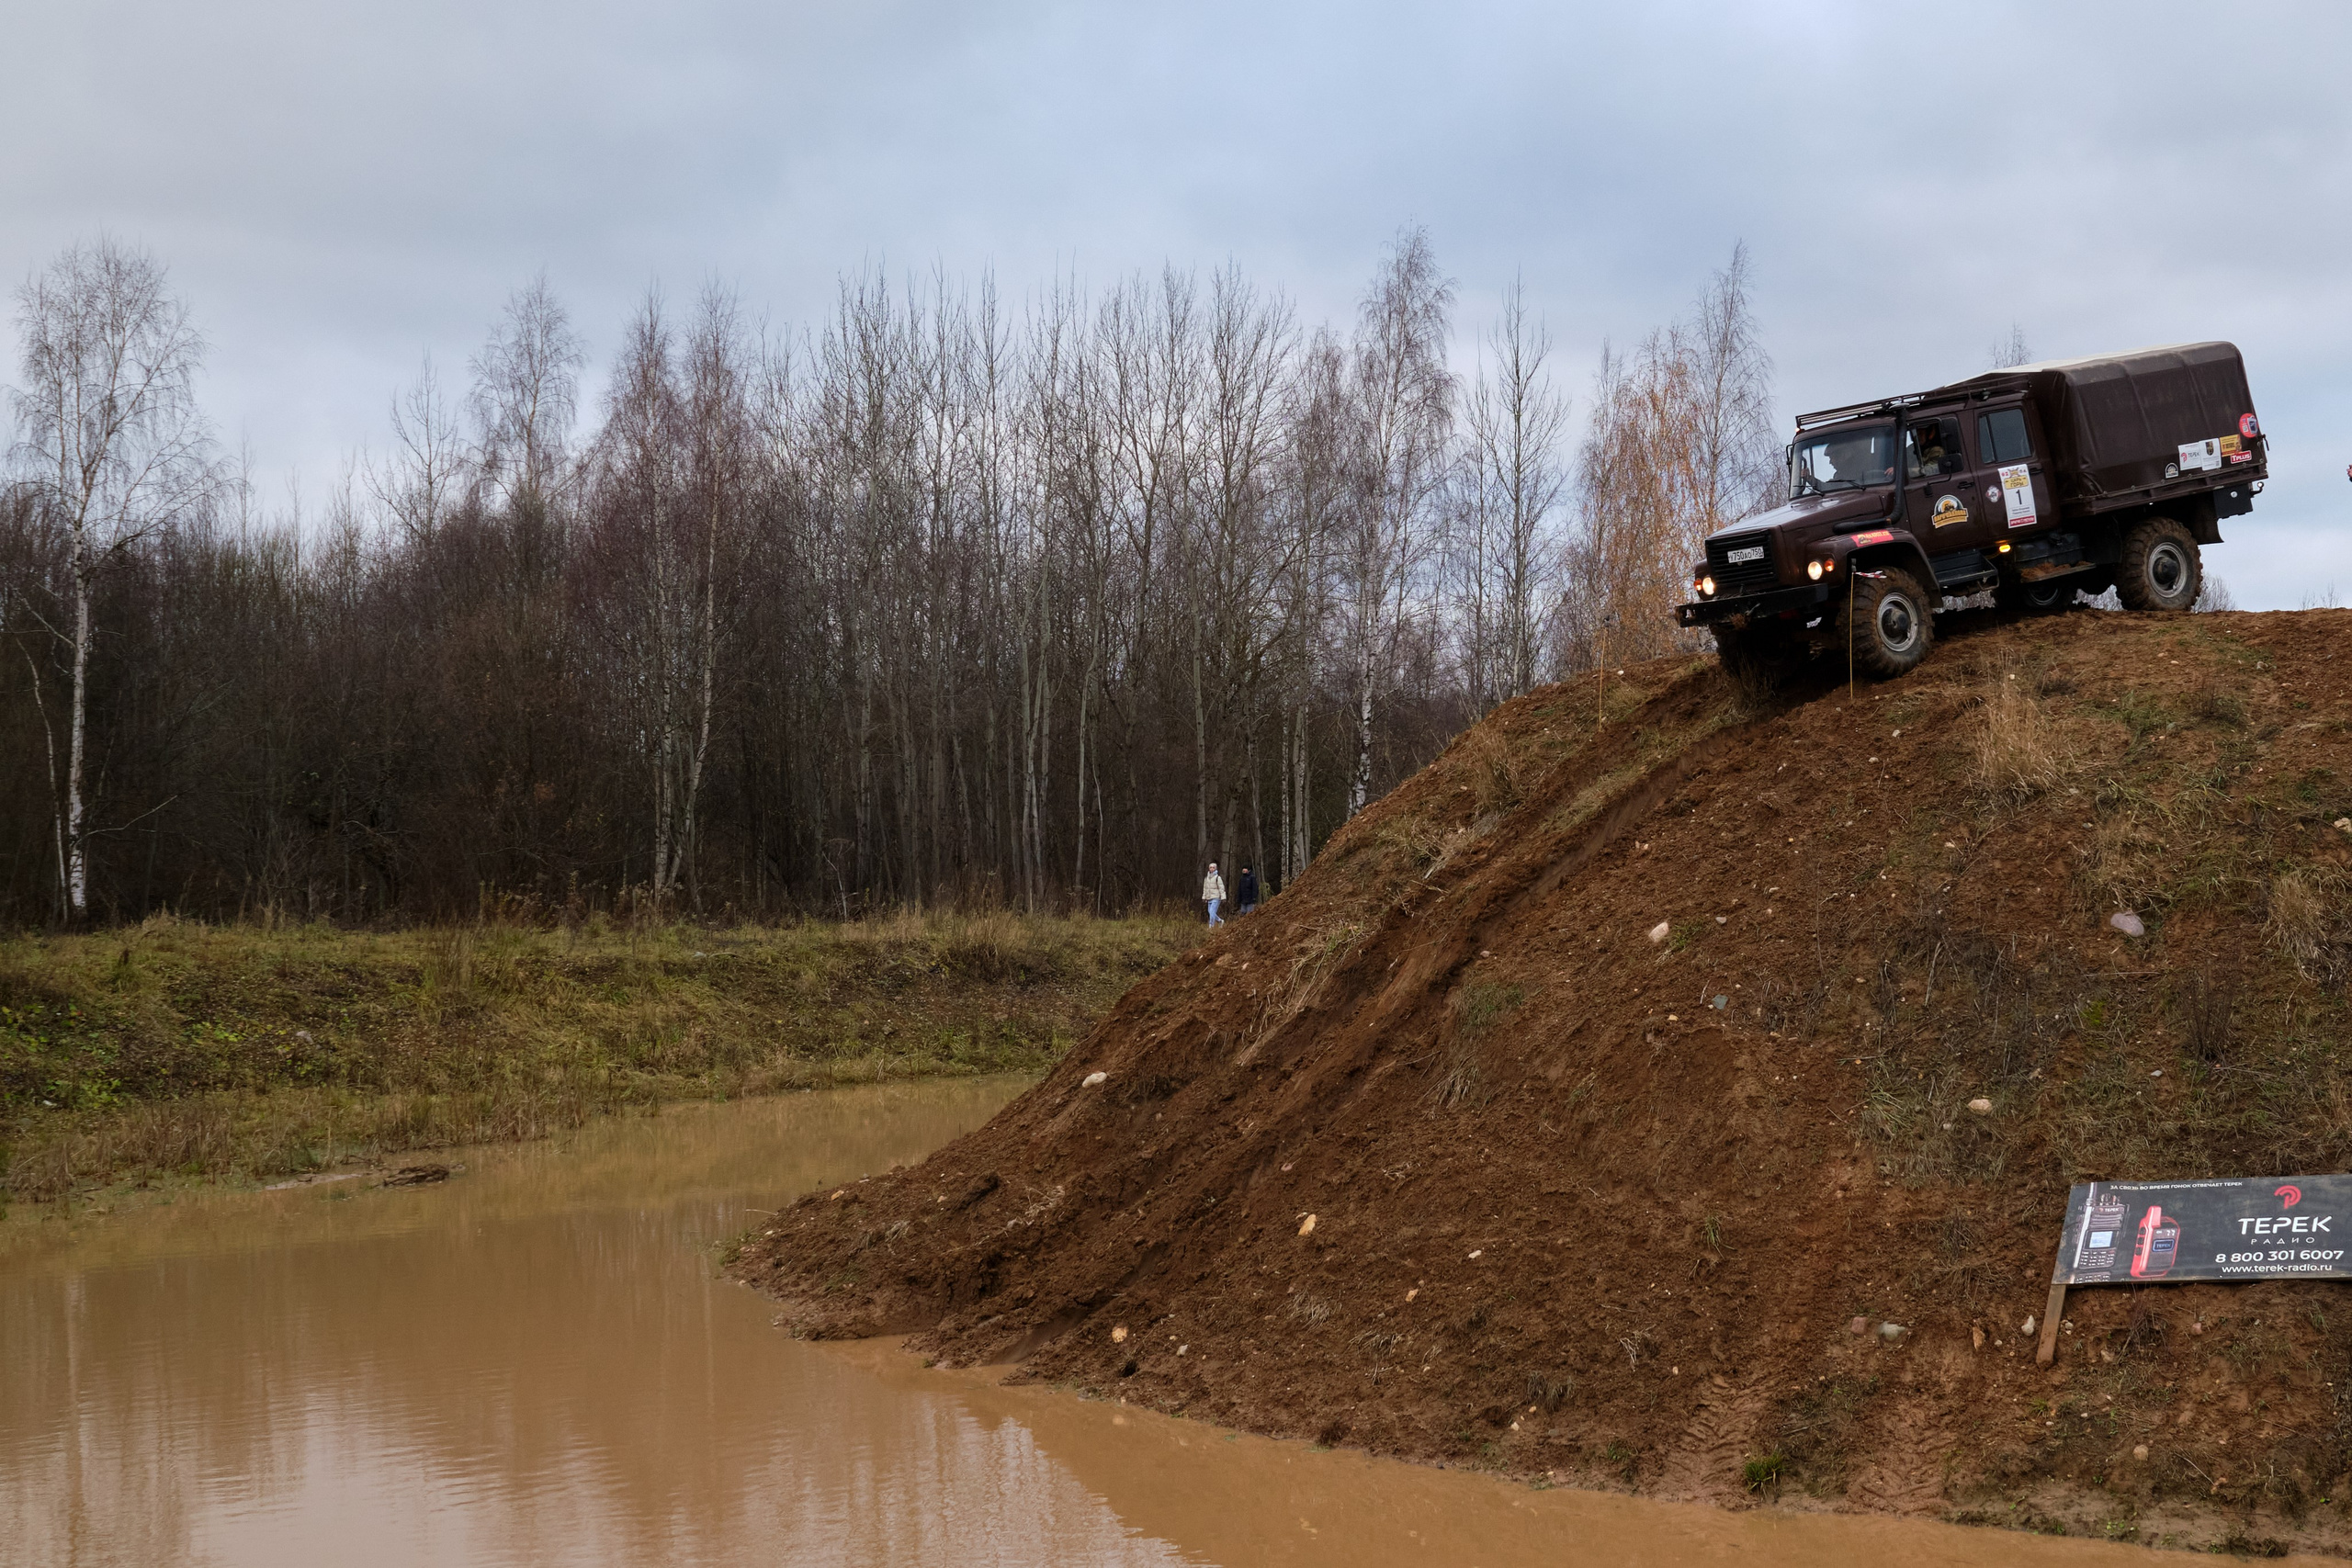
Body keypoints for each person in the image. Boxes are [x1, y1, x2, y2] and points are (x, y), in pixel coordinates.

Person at [1202, 862, 1227, 926]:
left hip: (1216, 897)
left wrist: (1223, 897)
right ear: (1209, 868)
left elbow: (1221, 888)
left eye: (1213, 867)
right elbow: (1205, 889)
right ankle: (1220, 921)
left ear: (1215, 869)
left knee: (1212, 912)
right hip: (1209, 898)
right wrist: (1204, 897)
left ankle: (1211, 926)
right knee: (1210, 912)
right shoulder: (1206, 878)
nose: (1212, 869)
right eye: (1210, 867)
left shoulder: (1218, 878)